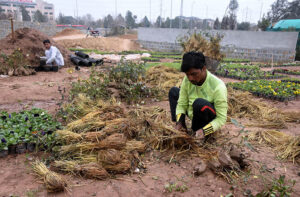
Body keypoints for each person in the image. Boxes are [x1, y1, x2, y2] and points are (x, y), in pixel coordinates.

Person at [168, 51, 228, 140]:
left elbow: (221, 119)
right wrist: (179, 123)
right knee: (174, 92)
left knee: (199, 103)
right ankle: (182, 128)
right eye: (187, 74)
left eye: (193, 74)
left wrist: (205, 131)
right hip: (193, 110)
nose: (190, 78)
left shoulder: (218, 86)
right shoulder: (187, 80)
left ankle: (199, 131)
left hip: (206, 117)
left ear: (203, 68)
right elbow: (181, 104)